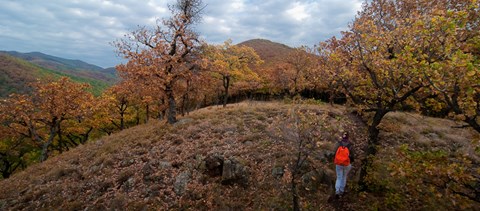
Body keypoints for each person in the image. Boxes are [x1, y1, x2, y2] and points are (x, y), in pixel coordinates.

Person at [333, 132, 354, 197]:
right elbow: (352, 156)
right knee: (344, 177)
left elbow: (334, 152)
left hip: (339, 163)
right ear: (348, 137)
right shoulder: (350, 145)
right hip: (347, 164)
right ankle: (341, 191)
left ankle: (337, 191)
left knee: (339, 177)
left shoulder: (338, 144)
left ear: (342, 137)